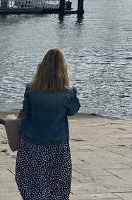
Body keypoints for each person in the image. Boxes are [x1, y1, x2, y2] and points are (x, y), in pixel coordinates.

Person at [15, 48, 80, 200]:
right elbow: (73, 111)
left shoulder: (31, 89)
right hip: (58, 144)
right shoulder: (68, 92)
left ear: (42, 67)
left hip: (32, 142)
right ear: (63, 68)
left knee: (30, 181)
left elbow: (25, 111)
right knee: (58, 183)